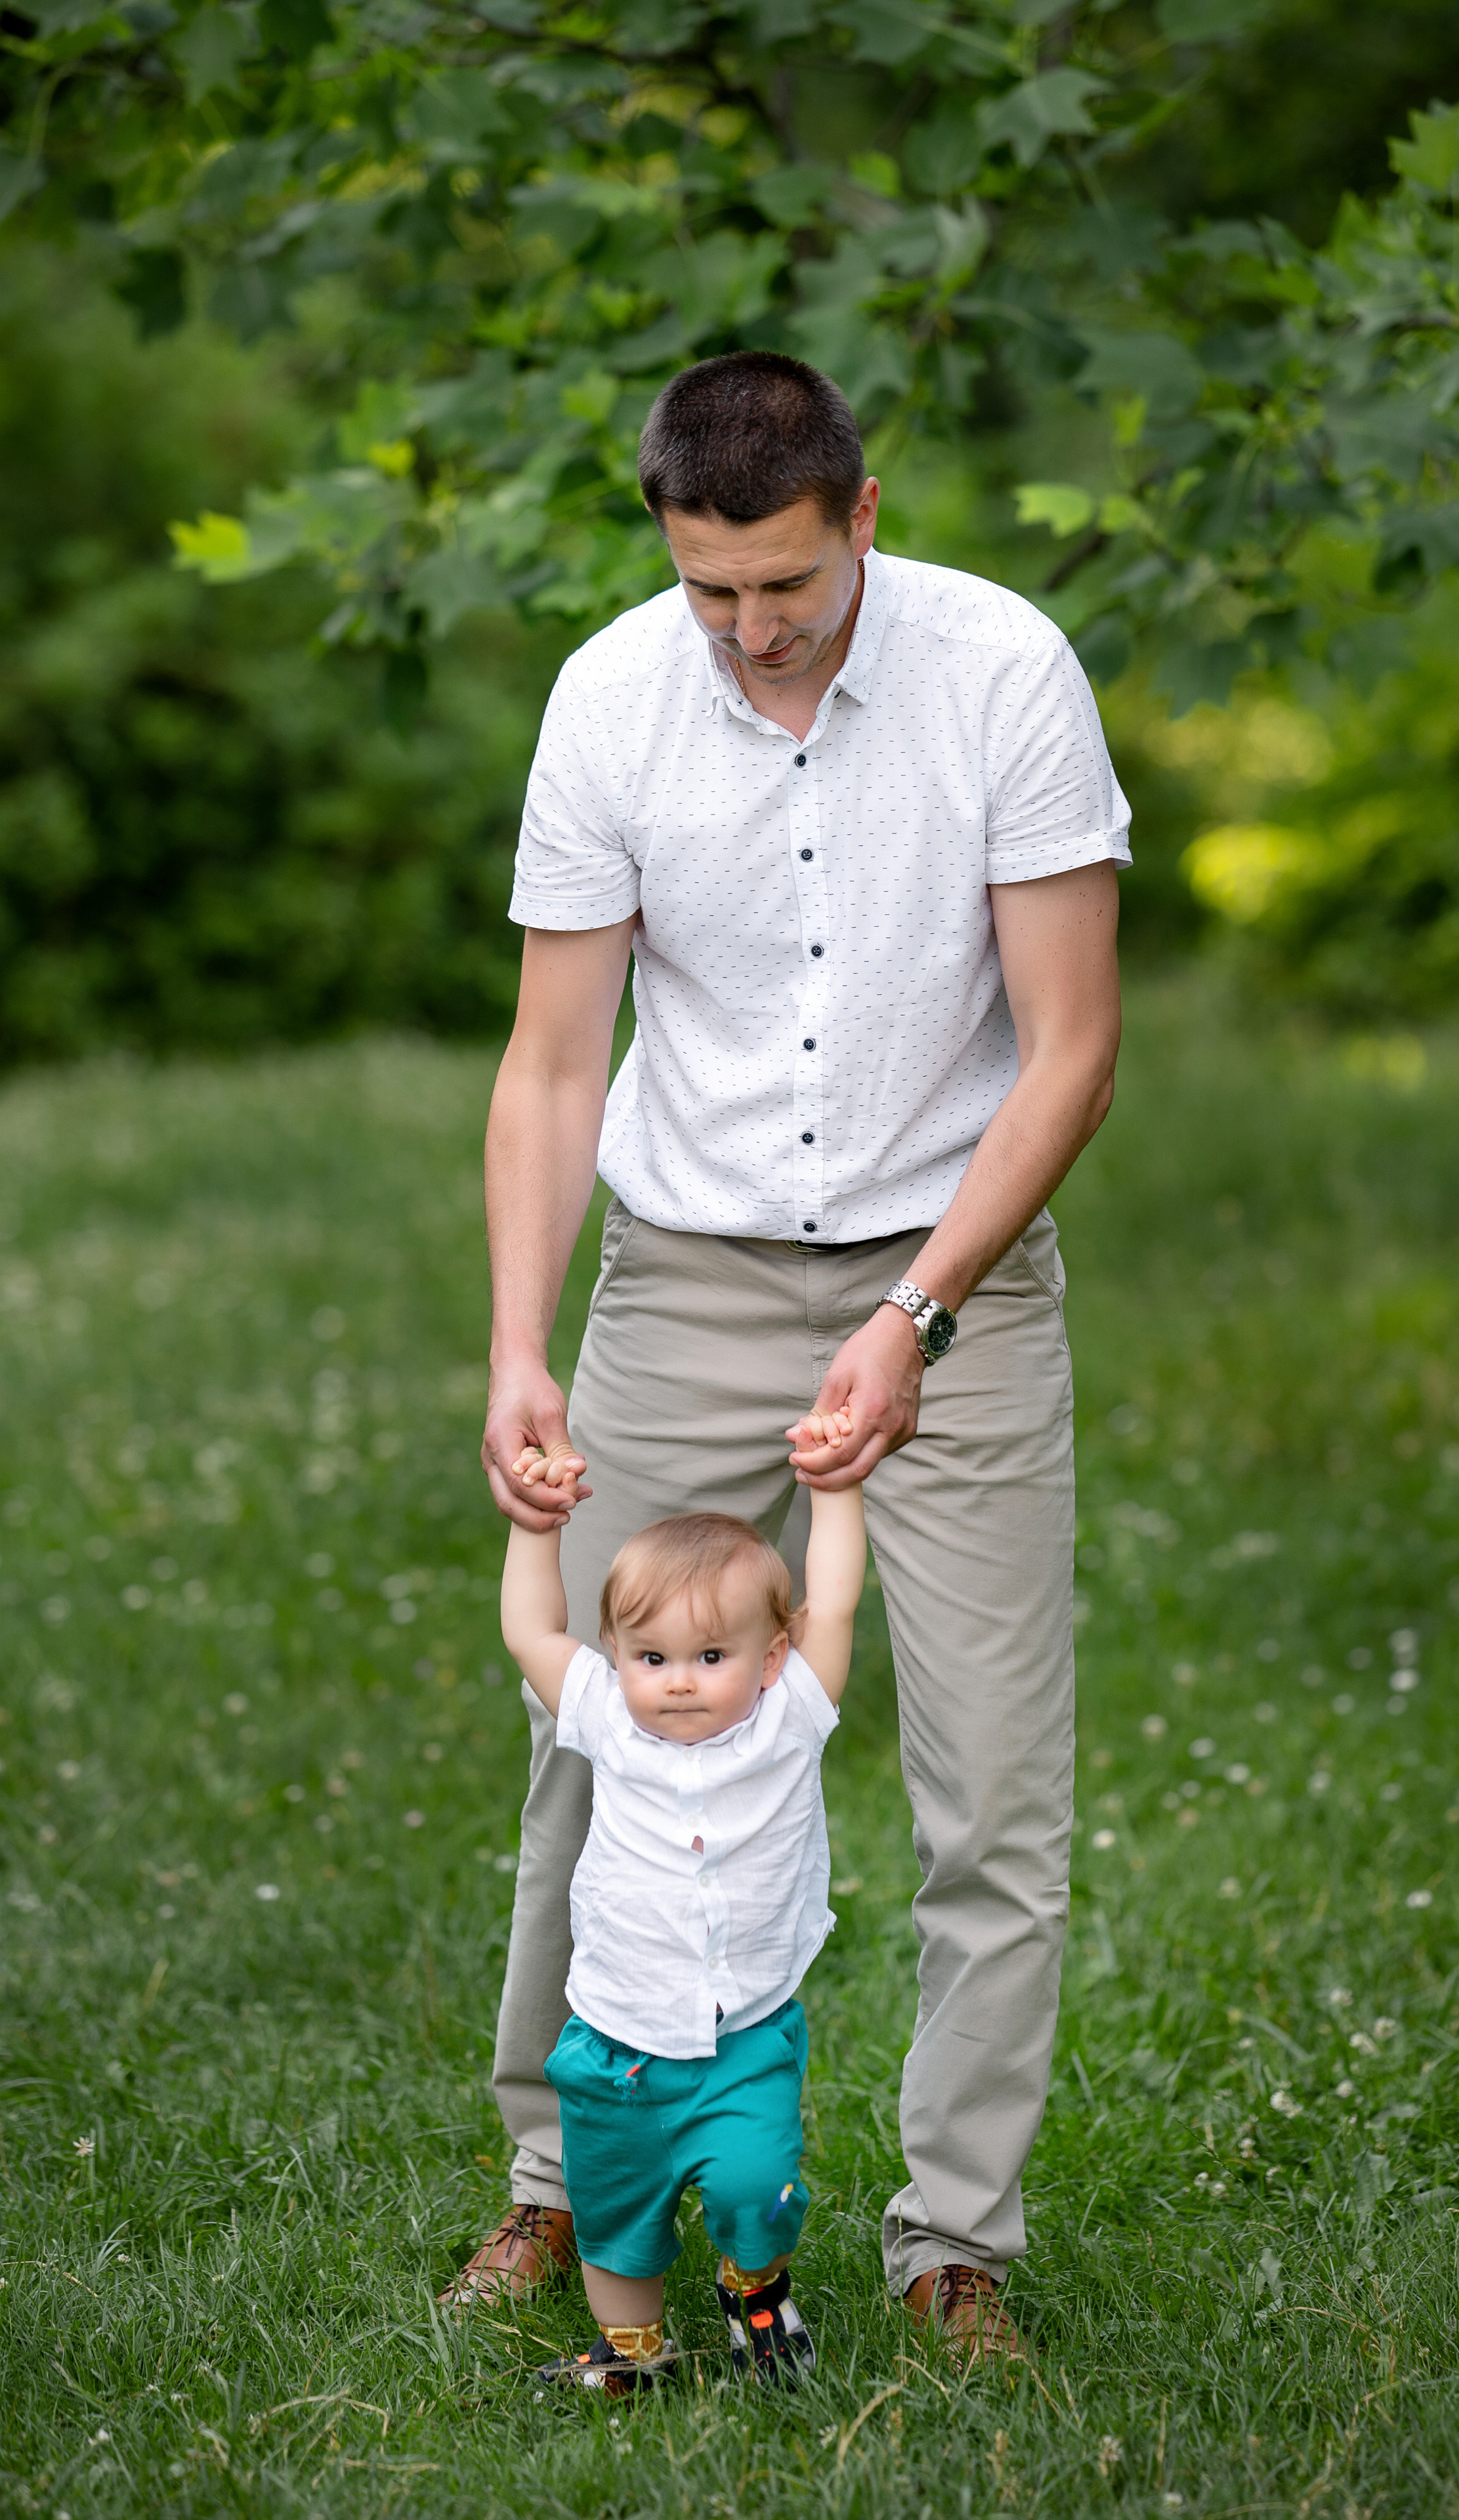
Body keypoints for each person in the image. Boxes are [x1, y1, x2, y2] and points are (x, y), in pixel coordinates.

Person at [444, 348, 1129, 2362]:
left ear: (866, 520)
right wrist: (517, 1345)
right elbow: (556, 1060)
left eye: (788, 593)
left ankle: (954, 2244)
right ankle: (564, 2191)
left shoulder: (1006, 676)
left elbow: (1071, 1050)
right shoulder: (609, 696)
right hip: (686, 1267)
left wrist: (918, 1315)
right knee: (595, 1747)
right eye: (711, 593)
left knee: (993, 1791)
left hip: (959, 1275)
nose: (749, 635)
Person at [499, 1412, 864, 2394]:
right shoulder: (608, 1723)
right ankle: (635, 2354)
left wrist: (835, 1490)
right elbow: (533, 1629)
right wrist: (538, 1526)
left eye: (712, 1657)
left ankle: (755, 2286)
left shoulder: (792, 1720)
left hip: (743, 2035)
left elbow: (830, 1604)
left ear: (773, 1656)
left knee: (756, 2184)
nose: (678, 1683)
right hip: (616, 2045)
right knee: (619, 2217)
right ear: (618, 1656)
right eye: (651, 1658)